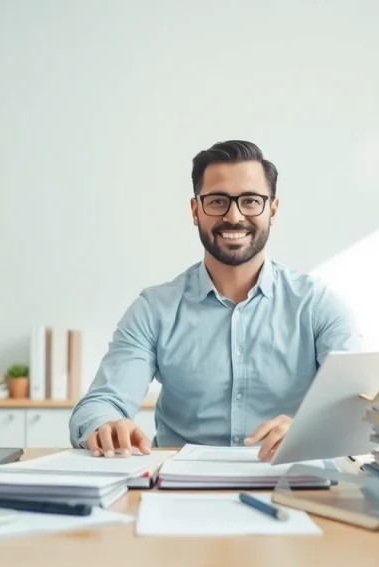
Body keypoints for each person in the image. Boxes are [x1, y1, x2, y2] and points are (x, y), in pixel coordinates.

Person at [68, 139, 362, 461]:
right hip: (179, 492)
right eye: (218, 201)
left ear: (272, 210)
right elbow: (100, 404)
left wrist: (310, 429)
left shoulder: (318, 306)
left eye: (250, 201)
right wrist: (106, 424)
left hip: (289, 482)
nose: (234, 216)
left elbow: (359, 405)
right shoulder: (155, 310)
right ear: (195, 211)